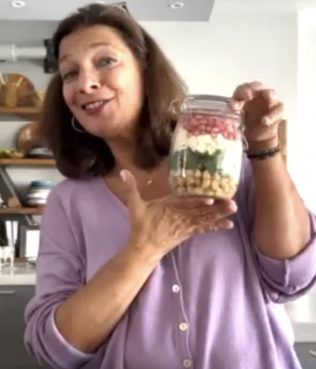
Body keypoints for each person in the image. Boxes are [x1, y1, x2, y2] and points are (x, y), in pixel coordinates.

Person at [24, 3, 316, 369]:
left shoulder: (221, 168)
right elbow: (54, 348)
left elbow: (293, 276)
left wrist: (263, 144)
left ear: (145, 70)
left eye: (105, 61)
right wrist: (144, 248)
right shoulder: (69, 203)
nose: (85, 83)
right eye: (69, 73)